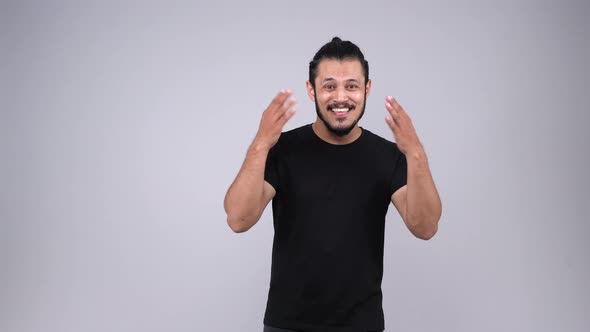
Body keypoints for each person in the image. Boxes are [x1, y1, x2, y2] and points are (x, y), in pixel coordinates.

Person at [223, 37, 442, 332]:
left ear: (367, 89)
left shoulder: (387, 156)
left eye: (351, 86)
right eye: (329, 86)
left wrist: (415, 152)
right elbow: (238, 219)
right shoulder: (283, 150)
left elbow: (425, 227)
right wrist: (261, 143)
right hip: (288, 324)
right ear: (311, 90)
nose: (341, 97)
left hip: (361, 325)